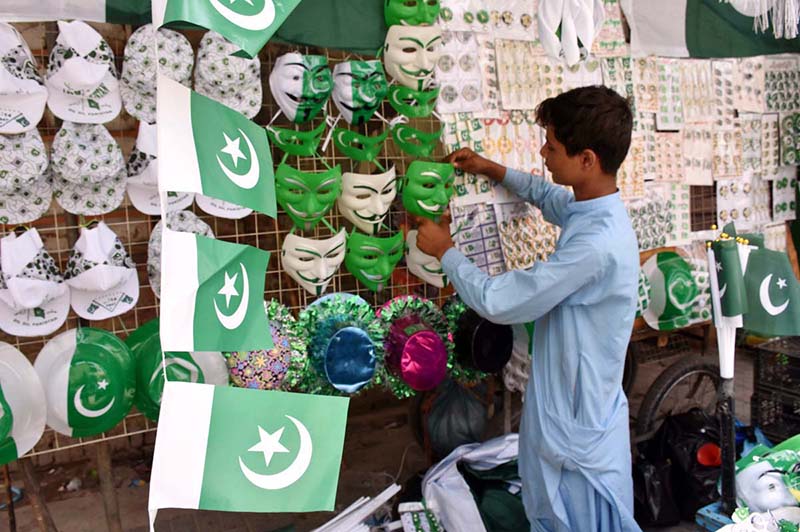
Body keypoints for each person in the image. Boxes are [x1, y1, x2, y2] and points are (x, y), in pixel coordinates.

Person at [415, 85, 642, 532]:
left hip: (576, 424)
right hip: (570, 402)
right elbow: (547, 195)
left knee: (574, 517)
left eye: (552, 146)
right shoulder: (594, 208)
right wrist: (491, 169)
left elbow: (500, 302)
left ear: (587, 160)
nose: (542, 152)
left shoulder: (595, 243)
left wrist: (446, 251)